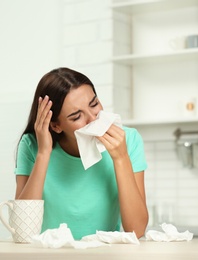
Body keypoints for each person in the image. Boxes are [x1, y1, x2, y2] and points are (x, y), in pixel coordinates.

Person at [14, 67, 148, 239]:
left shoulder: (128, 140)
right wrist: (43, 153)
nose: (93, 119)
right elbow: (22, 231)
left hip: (104, 254)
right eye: (77, 116)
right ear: (56, 125)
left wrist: (121, 158)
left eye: (94, 104)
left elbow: (137, 230)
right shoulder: (32, 145)